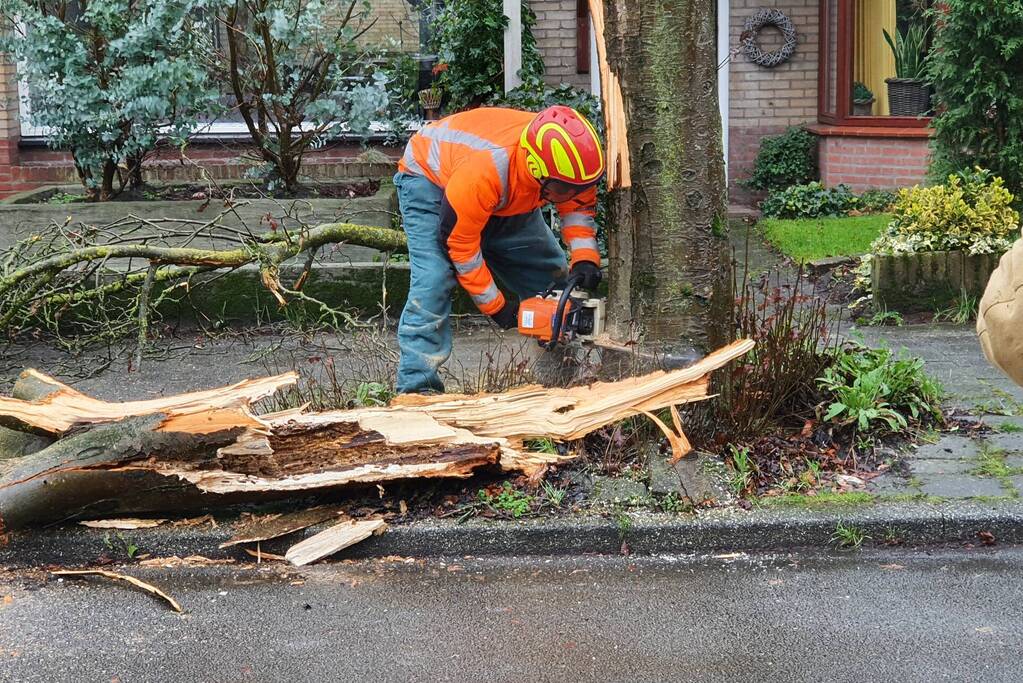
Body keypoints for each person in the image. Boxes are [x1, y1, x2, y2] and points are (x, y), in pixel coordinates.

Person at [393, 105, 606, 394]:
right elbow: (462, 249)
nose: (569, 195)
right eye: (563, 190)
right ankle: (417, 390)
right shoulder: (486, 171)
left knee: (551, 277)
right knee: (434, 278)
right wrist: (498, 307)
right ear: (537, 170)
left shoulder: (568, 163)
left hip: (506, 192)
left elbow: (577, 204)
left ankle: (558, 378)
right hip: (430, 180)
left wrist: (585, 259)